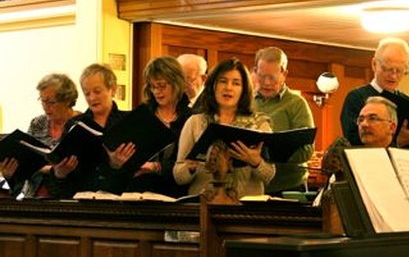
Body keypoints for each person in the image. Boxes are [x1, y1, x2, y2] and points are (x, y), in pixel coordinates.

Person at [173, 58, 275, 199]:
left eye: (236, 83)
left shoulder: (260, 124)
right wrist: (190, 167)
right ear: (213, 86)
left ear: (244, 89)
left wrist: (255, 162)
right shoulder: (194, 122)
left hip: (246, 210)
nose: (228, 87)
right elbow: (178, 176)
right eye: (223, 81)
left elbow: (269, 175)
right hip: (203, 206)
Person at [340, 37, 409, 162]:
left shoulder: (408, 103)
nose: (393, 76)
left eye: (399, 71)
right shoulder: (356, 98)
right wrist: (399, 142)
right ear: (374, 64)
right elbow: (356, 144)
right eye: (388, 69)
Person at [49, 63, 135, 198]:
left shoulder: (128, 121)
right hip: (80, 200)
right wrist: (60, 173)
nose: (91, 98)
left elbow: (137, 170)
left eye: (97, 91)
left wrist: (116, 166)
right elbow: (59, 179)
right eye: (87, 93)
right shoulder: (75, 124)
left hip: (119, 200)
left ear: (113, 89)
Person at [0, 73, 81, 197]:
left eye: (51, 102)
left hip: (67, 200)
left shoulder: (80, 125)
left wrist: (42, 168)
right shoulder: (37, 123)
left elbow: (83, 170)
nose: (45, 107)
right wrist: (9, 174)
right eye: (43, 100)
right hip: (30, 198)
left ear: (67, 101)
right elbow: (23, 163)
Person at [252, 46, 315, 197]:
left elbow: (307, 150)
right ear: (255, 72)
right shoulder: (247, 102)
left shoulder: (296, 103)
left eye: (272, 77)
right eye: (261, 76)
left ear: (284, 74)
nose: (266, 82)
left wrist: (272, 152)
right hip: (254, 186)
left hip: (289, 187)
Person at [126, 56, 192, 197]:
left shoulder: (191, 118)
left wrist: (157, 167)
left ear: (177, 83)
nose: (156, 91)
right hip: (138, 191)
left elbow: (191, 163)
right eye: (152, 86)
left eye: (161, 86)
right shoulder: (142, 114)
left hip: (174, 194)